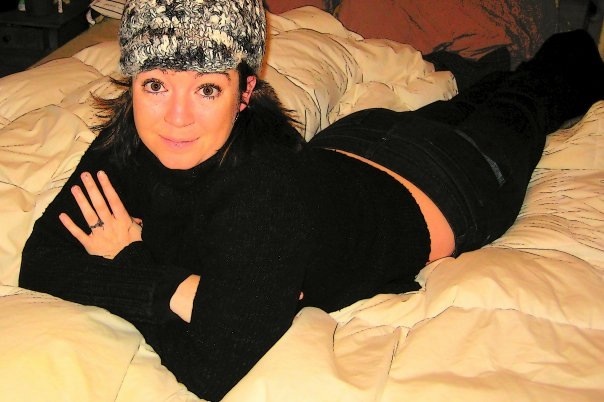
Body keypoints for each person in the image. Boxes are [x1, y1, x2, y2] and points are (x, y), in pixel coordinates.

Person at [19, 0, 603, 399]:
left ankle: (575, 46)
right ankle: (482, 76)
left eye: (206, 88)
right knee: (472, 98)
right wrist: (179, 291)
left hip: (448, 185)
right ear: (133, 84)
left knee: (536, 94)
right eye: (155, 83)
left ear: (245, 92)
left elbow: (210, 371)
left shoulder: (263, 191)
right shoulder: (128, 137)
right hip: (357, 139)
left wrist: (133, 263)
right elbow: (40, 260)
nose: (176, 117)